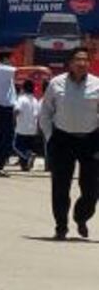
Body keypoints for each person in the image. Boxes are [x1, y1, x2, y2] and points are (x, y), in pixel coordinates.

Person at [39, 47, 99, 240]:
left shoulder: (97, 85)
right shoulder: (56, 84)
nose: (82, 63)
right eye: (77, 59)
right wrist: (50, 137)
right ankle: (61, 226)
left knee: (92, 189)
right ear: (70, 63)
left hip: (90, 140)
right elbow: (45, 113)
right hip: (62, 140)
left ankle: (81, 217)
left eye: (85, 60)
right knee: (60, 186)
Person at [14, 79, 41, 171]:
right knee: (27, 146)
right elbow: (38, 115)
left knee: (16, 146)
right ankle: (25, 166)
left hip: (22, 128)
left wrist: (13, 120)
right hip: (32, 129)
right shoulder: (35, 100)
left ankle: (28, 155)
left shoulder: (21, 99)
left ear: (23, 88)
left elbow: (17, 110)